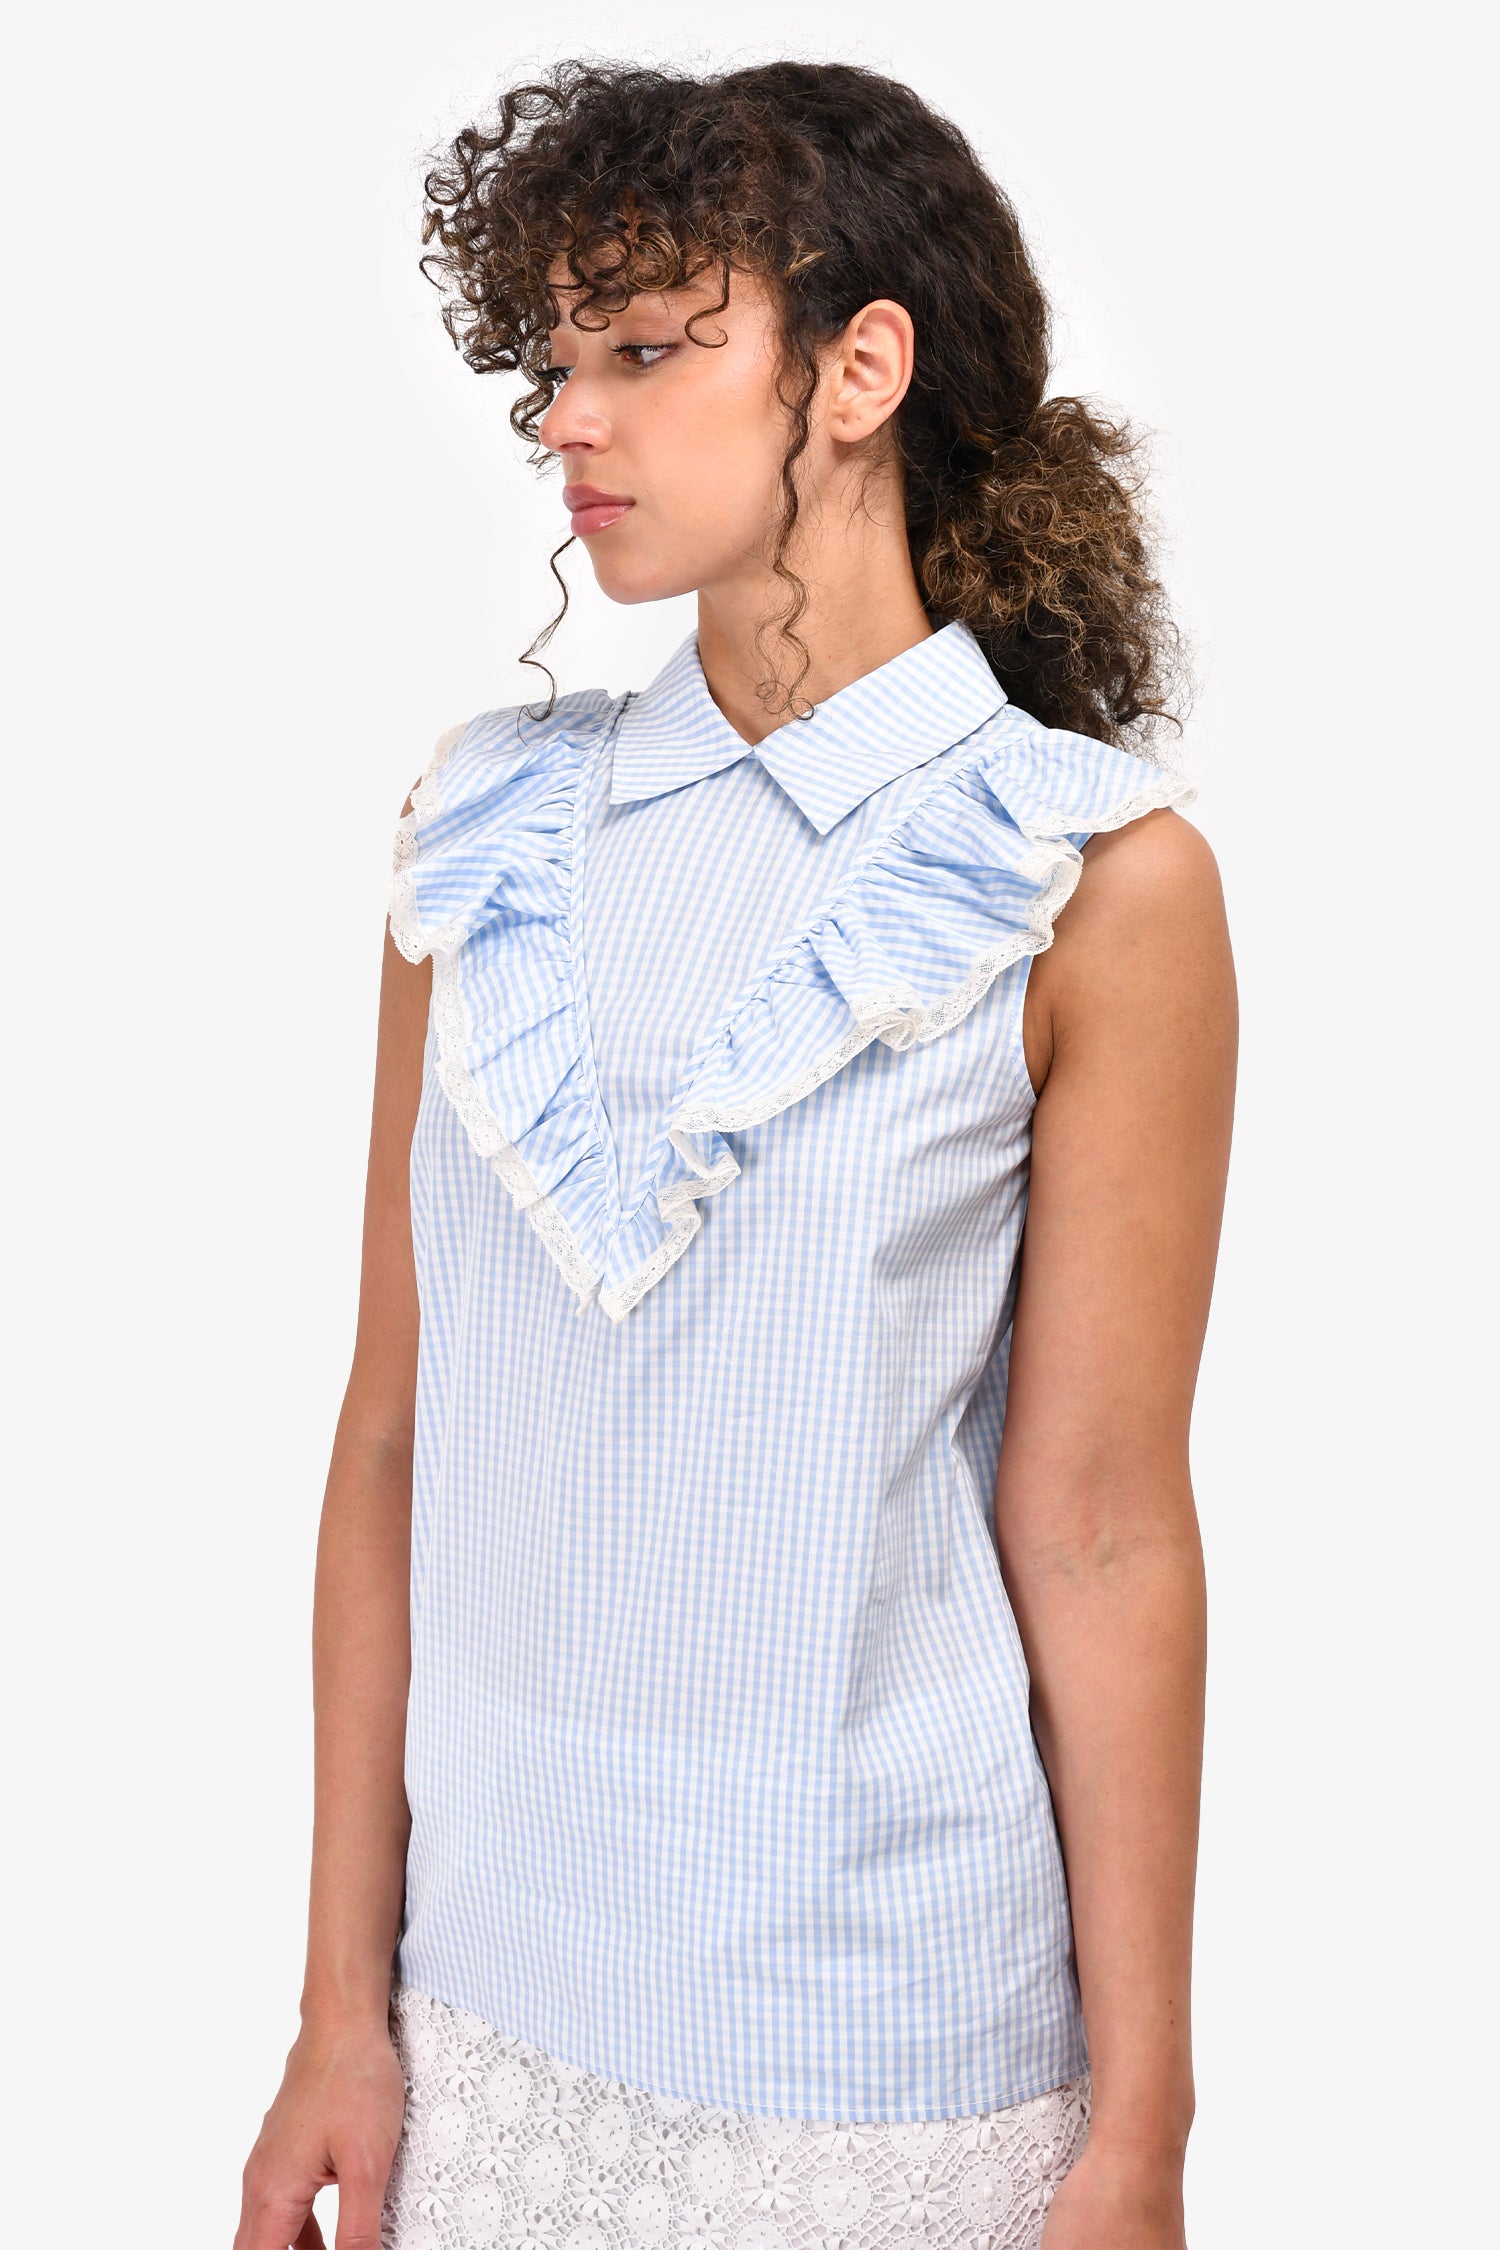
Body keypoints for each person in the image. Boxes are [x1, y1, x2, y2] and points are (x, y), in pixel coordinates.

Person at [235, 57, 1236, 2250]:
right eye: (553, 362)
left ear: (860, 369)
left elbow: (1097, 1531)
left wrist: (1145, 2133)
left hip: (884, 2051)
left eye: (642, 349)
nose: (567, 421)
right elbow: (396, 1438)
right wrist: (335, 2013)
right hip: (491, 2017)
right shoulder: (482, 834)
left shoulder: (1091, 881)